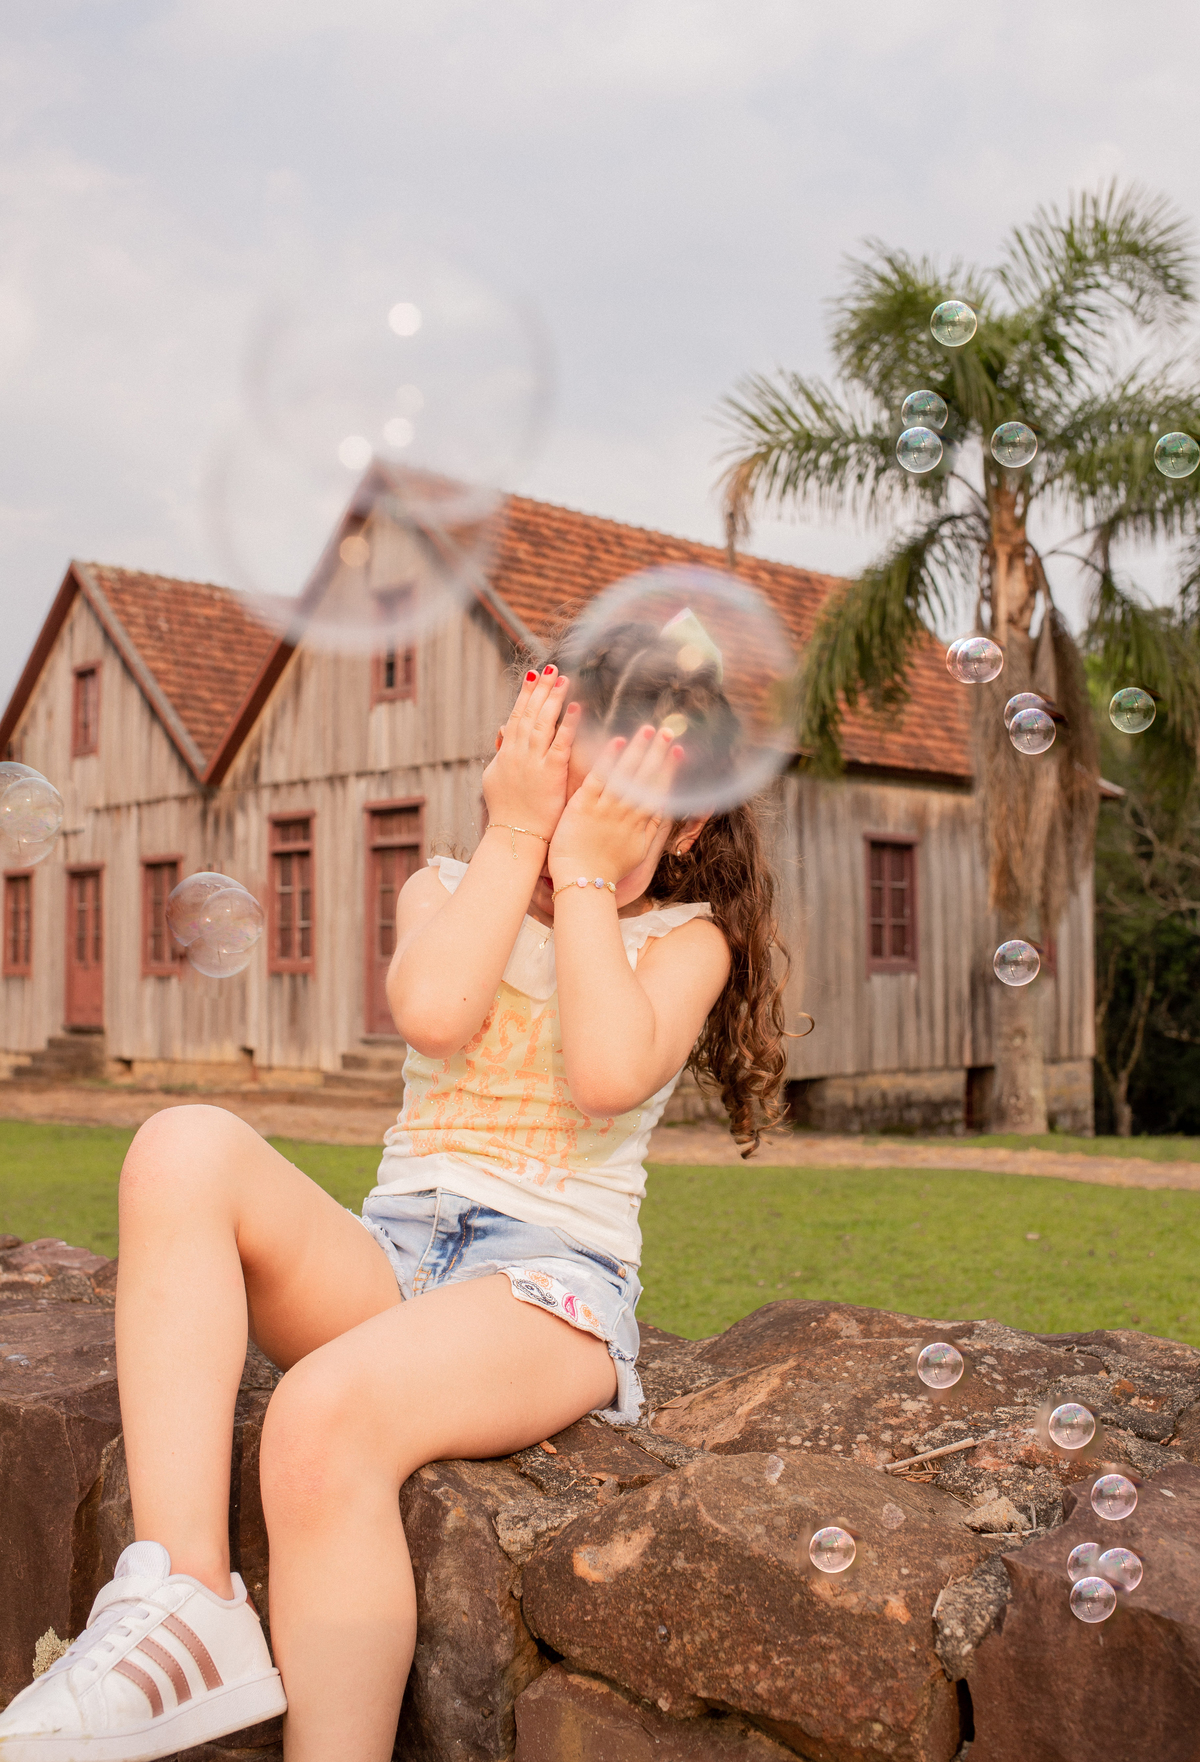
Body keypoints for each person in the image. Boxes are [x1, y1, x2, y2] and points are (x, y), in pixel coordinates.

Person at [0, 620, 788, 1762]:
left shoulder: (684, 940)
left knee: (322, 1416)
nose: (584, 813)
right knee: (180, 1142)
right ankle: (186, 1602)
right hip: (393, 1257)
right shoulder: (447, 888)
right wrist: (523, 837)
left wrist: (576, 874)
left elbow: (610, 1073)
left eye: (625, 795)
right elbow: (434, 1011)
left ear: (685, 826)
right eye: (569, 776)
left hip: (547, 1288)